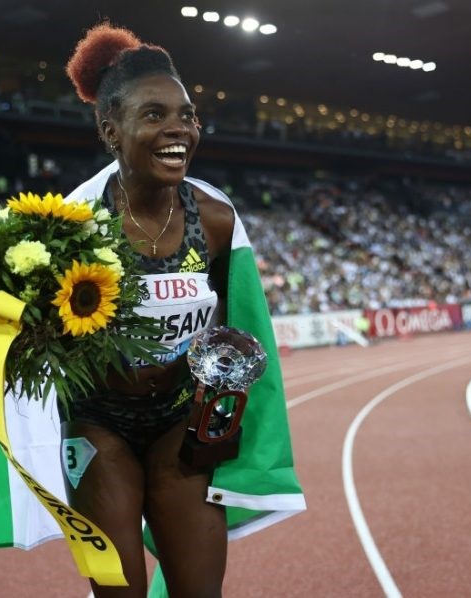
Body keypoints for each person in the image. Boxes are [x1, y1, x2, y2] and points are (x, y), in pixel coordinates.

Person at [61, 22, 305, 597]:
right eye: (154, 115)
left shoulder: (215, 220)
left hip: (180, 421)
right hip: (98, 425)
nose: (178, 130)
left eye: (188, 115)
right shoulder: (70, 225)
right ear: (110, 130)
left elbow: (239, 324)